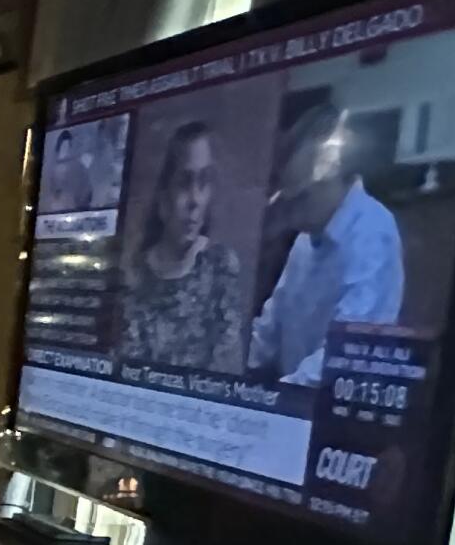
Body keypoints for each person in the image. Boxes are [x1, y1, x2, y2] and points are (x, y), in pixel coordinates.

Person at [248, 105, 404, 385]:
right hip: (296, 395)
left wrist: (276, 396)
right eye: (287, 198)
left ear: (334, 168)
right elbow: (271, 328)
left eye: (301, 197)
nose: (291, 212)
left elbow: (344, 356)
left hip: (334, 403)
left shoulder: (373, 232)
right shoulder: (306, 239)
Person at [117, 121, 246, 371]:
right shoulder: (134, 275)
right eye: (184, 183)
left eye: (204, 182)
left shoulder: (220, 267)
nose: (195, 200)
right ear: (163, 194)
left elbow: (228, 368)